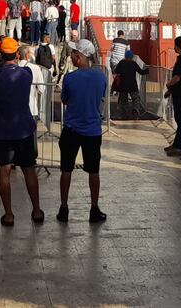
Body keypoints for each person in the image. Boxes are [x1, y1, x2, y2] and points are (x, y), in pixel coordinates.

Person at [0, 37, 43, 226]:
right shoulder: (26, 74)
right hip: (24, 128)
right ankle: (37, 210)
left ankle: (8, 214)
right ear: (16, 54)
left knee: (4, 172)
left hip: (2, 129)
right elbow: (25, 64)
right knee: (29, 170)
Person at [57, 39, 107, 224]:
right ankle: (94, 208)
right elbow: (100, 98)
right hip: (93, 130)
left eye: (73, 54)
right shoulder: (101, 77)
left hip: (71, 129)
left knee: (66, 169)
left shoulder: (69, 78)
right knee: (94, 171)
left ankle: (64, 207)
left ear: (79, 57)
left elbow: (65, 100)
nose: (70, 56)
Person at [164, 36, 181, 157]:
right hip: (178, 92)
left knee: (180, 120)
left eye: (175, 45)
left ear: (178, 46)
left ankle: (180, 146)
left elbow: (177, 77)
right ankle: (176, 144)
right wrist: (170, 91)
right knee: (178, 118)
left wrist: (168, 84)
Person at [18, 44, 48, 131]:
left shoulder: (13, 67)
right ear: (27, 55)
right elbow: (42, 89)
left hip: (15, 110)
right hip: (31, 108)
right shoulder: (35, 68)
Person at [114, 48, 149, 119]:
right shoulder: (134, 63)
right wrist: (148, 70)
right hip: (132, 85)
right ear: (132, 57)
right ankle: (135, 110)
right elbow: (141, 72)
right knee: (136, 98)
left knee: (123, 100)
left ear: (125, 56)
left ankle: (124, 114)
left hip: (123, 85)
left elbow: (116, 71)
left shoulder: (121, 63)